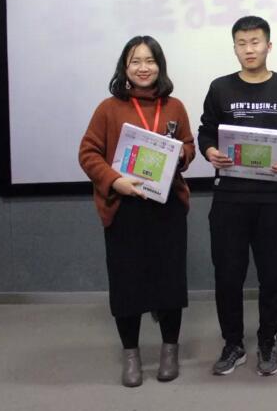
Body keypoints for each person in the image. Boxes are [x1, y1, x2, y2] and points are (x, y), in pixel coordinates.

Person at [198, 15, 277, 377]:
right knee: (228, 276)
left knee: (270, 276)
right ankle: (233, 344)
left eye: (255, 42)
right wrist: (210, 152)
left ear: (269, 45)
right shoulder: (220, 88)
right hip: (229, 198)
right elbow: (205, 132)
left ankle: (267, 342)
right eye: (242, 43)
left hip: (273, 199)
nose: (249, 49)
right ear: (234, 47)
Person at [79, 36, 195, 387]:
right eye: (135, 61)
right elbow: (88, 153)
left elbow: (188, 146)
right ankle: (131, 355)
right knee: (126, 284)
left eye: (150, 61)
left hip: (167, 208)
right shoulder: (108, 108)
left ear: (160, 65)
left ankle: (169, 351)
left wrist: (182, 154)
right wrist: (115, 182)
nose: (143, 68)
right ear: (125, 68)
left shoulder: (174, 106)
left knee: (169, 282)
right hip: (125, 209)